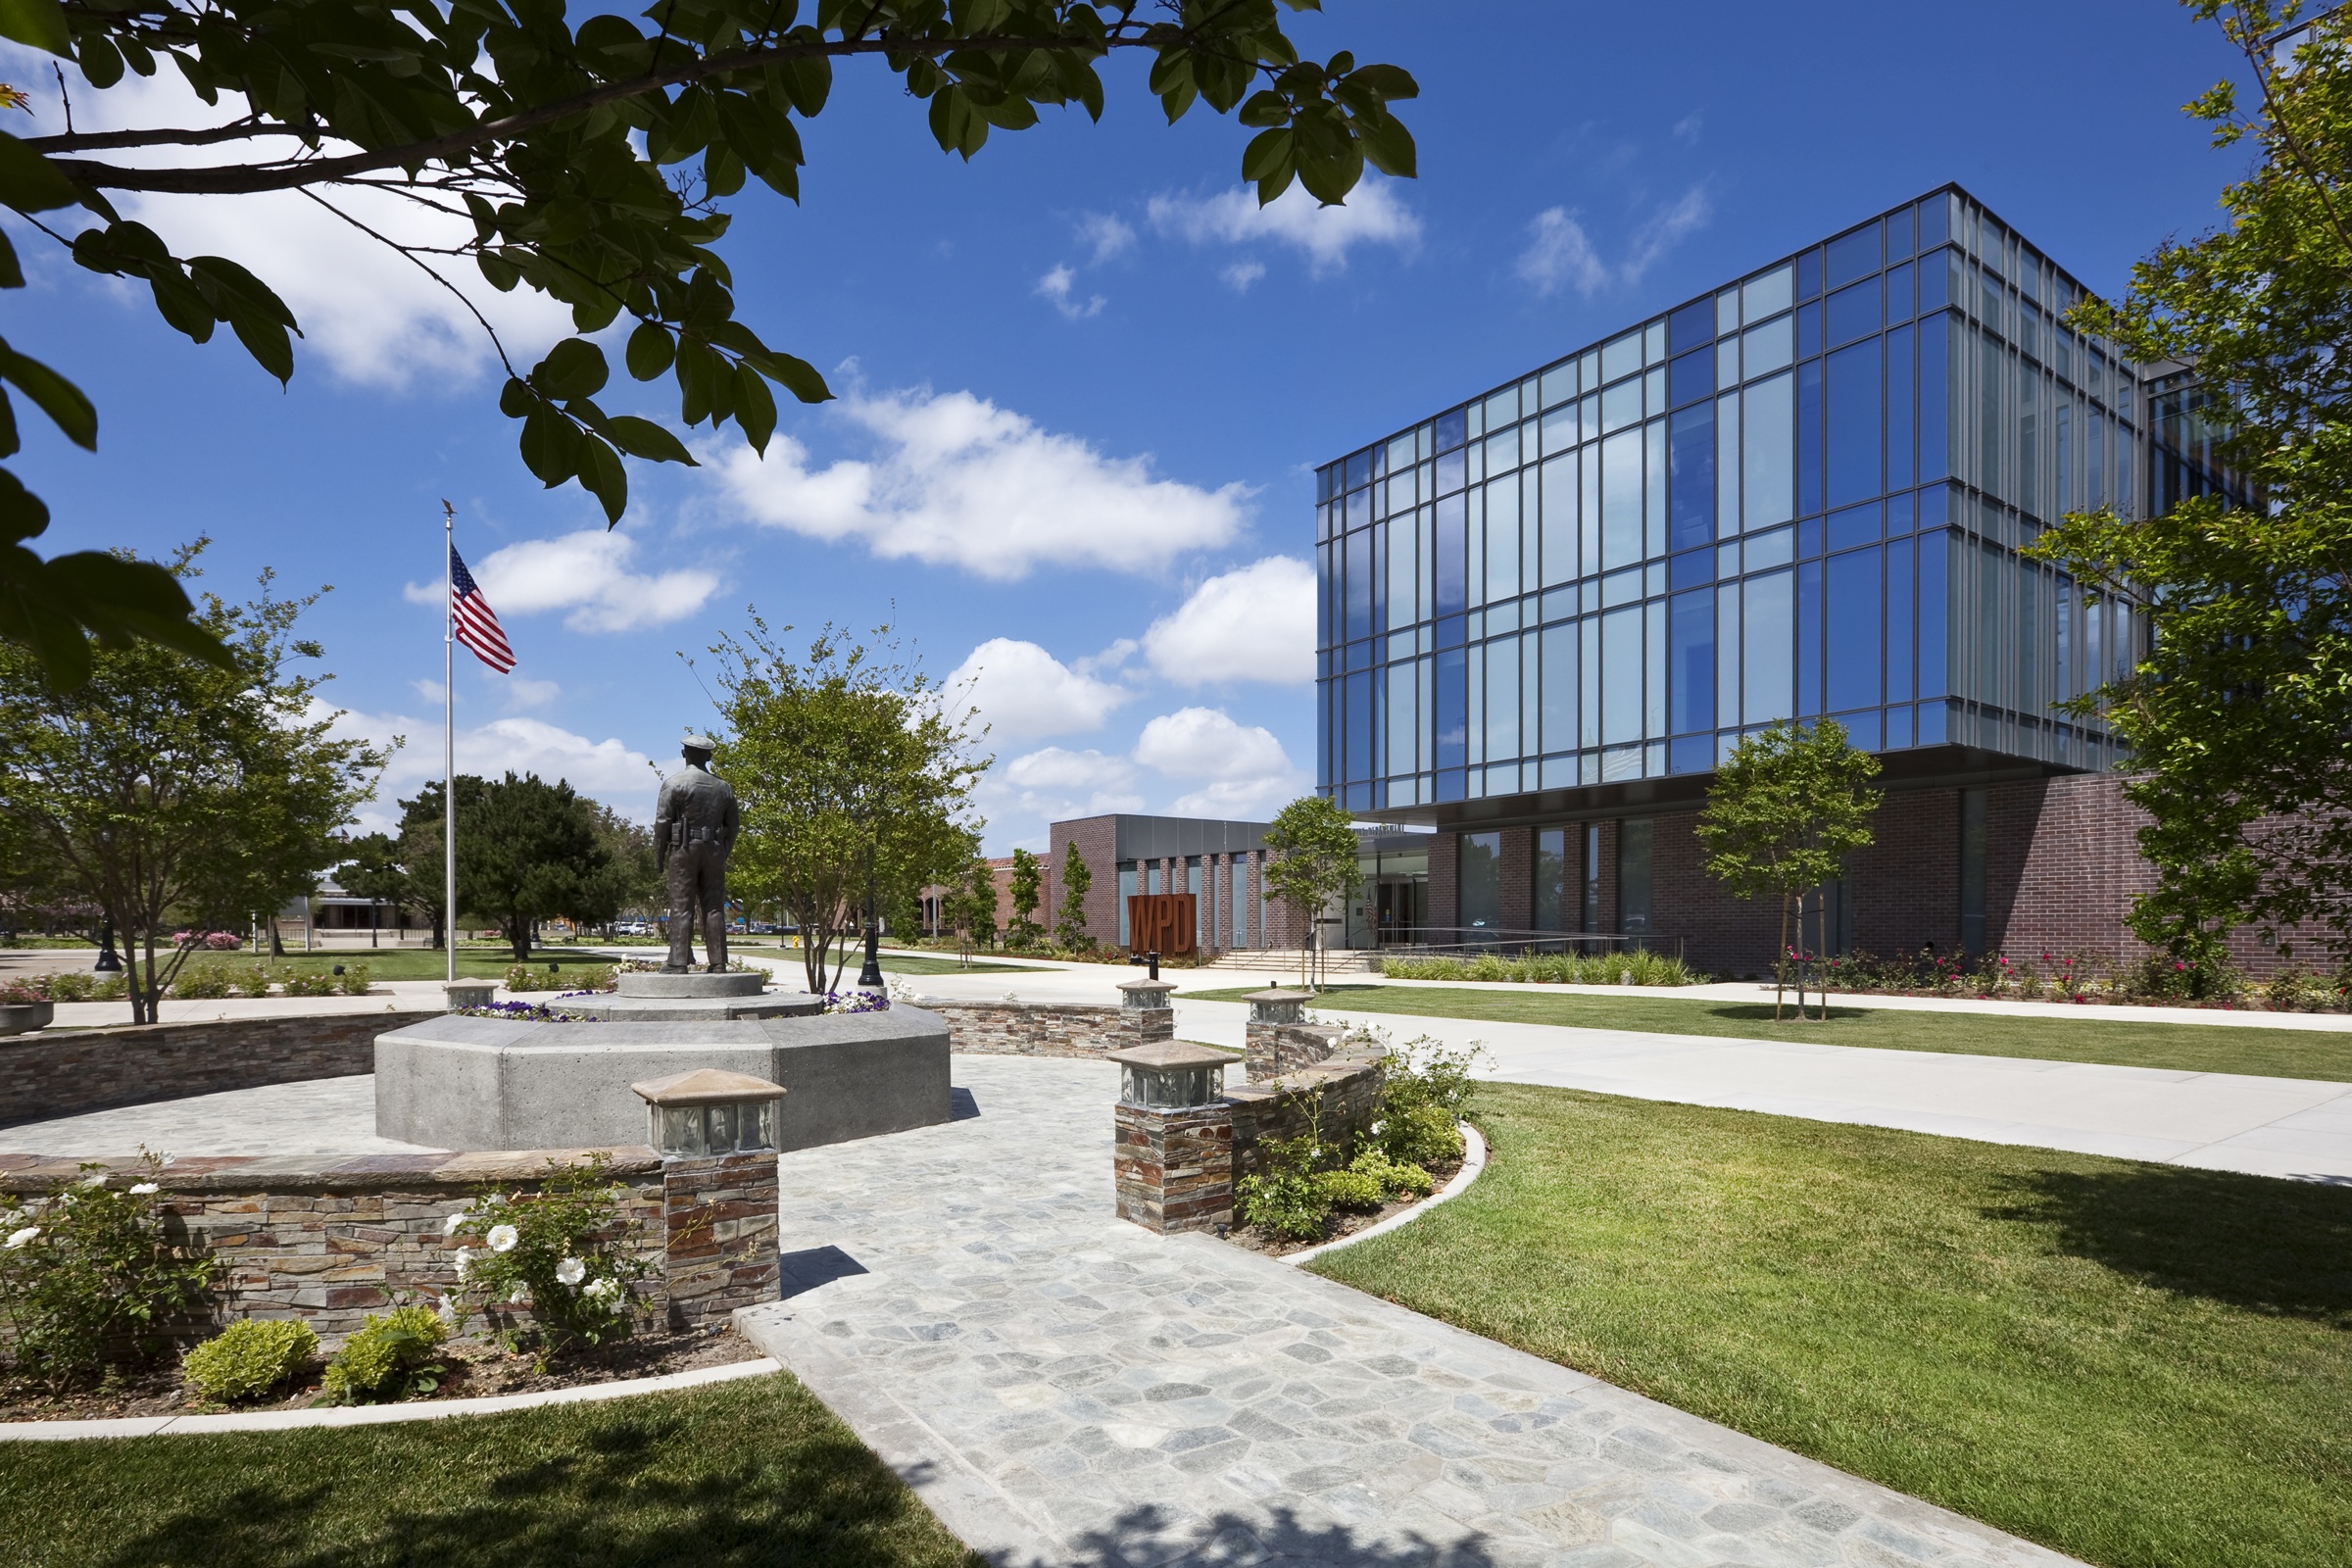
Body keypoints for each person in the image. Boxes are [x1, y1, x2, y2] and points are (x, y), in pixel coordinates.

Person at [654, 733, 739, 972]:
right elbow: (734, 826)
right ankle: (719, 962)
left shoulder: (673, 783)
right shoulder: (723, 787)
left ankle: (678, 962)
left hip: (683, 849)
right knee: (714, 906)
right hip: (714, 849)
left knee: (682, 905)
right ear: (709, 756)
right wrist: (723, 851)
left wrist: (658, 857)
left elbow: (662, 823)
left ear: (684, 754)